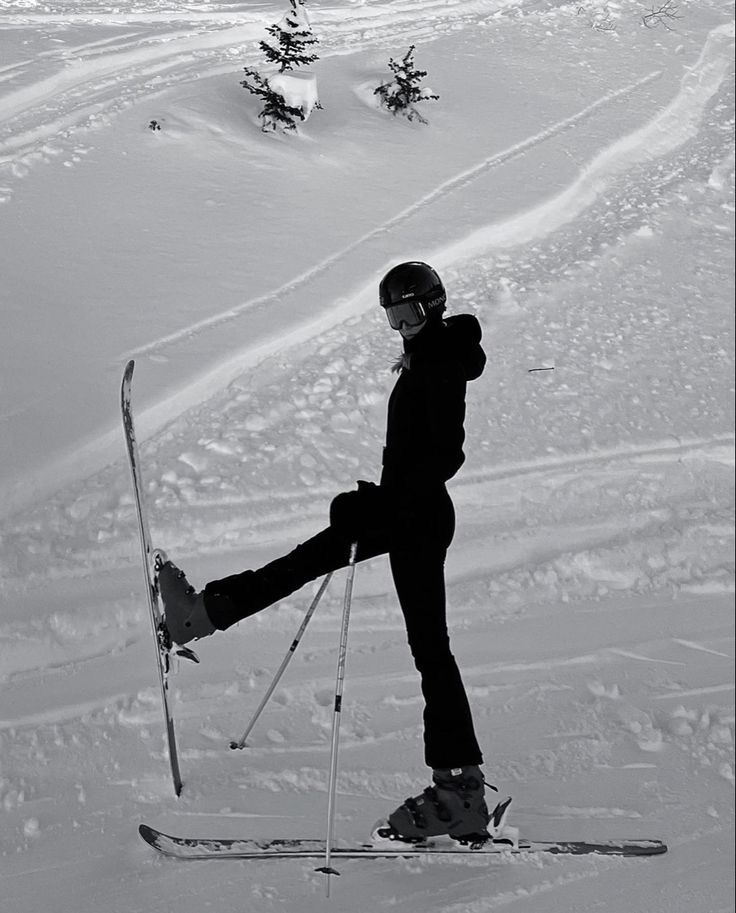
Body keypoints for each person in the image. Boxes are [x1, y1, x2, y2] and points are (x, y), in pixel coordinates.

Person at [159, 261, 491, 841]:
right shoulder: (435, 352)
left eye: (408, 313)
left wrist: (379, 505)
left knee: (427, 647)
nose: (400, 327)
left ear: (433, 306)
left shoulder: (436, 362)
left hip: (412, 516)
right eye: (391, 316)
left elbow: (439, 458)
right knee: (319, 571)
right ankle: (203, 614)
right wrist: (379, 500)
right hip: (409, 511)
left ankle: (459, 789)